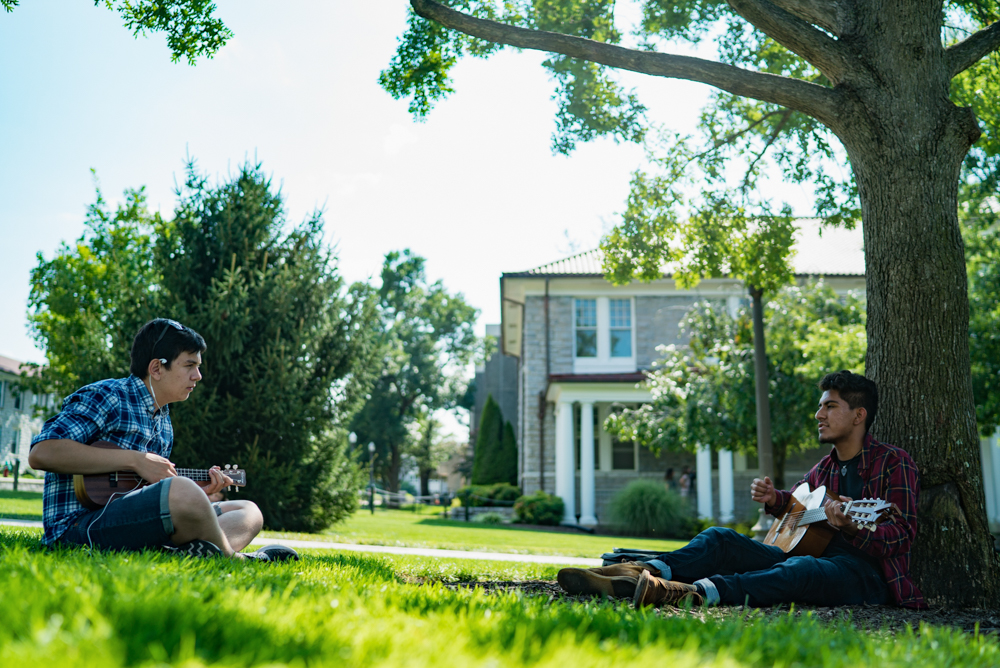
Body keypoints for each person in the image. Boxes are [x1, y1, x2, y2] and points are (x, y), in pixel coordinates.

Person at [557, 370, 926, 609]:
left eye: (830, 407)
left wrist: (851, 526)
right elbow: (799, 509)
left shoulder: (894, 463)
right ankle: (638, 572)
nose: (819, 415)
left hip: (863, 575)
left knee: (800, 567)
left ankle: (694, 592)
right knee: (720, 539)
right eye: (820, 407)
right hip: (808, 560)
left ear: (859, 415)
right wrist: (775, 499)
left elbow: (902, 536)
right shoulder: (823, 468)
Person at [28, 318, 297, 562]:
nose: (198, 376)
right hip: (78, 529)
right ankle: (232, 559)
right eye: (189, 365)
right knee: (182, 490)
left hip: (130, 525)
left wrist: (198, 497)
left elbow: (140, 491)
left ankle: (187, 554)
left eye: (198, 367)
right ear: (157, 367)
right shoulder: (107, 395)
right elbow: (42, 453)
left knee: (248, 510)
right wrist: (136, 460)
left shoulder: (164, 421)